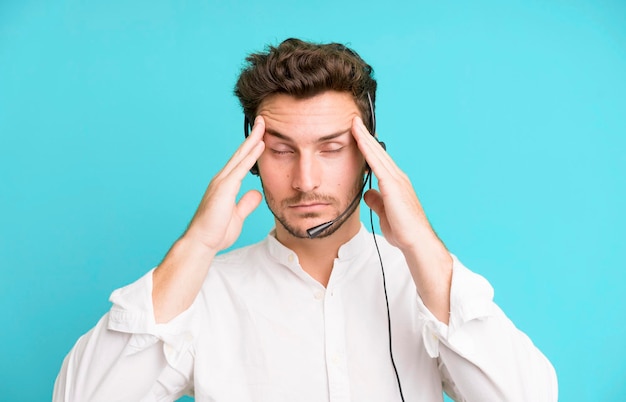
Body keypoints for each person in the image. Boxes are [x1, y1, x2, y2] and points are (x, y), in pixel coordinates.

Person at [53, 38, 557, 402]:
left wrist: (423, 245)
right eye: (280, 151)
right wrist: (195, 247)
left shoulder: (425, 285)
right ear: (252, 160)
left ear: (369, 157)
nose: (305, 179)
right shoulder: (200, 293)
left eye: (332, 149)